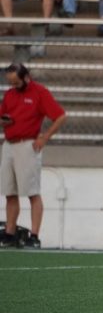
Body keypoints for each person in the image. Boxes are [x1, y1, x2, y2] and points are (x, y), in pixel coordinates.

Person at [0, 64, 66, 249]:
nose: (13, 85)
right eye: (11, 82)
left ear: (26, 77)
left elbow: (60, 116)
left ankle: (34, 235)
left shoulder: (39, 93)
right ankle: (9, 233)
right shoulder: (10, 94)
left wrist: (44, 137)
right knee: (10, 192)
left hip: (28, 145)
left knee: (32, 192)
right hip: (9, 144)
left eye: (16, 81)